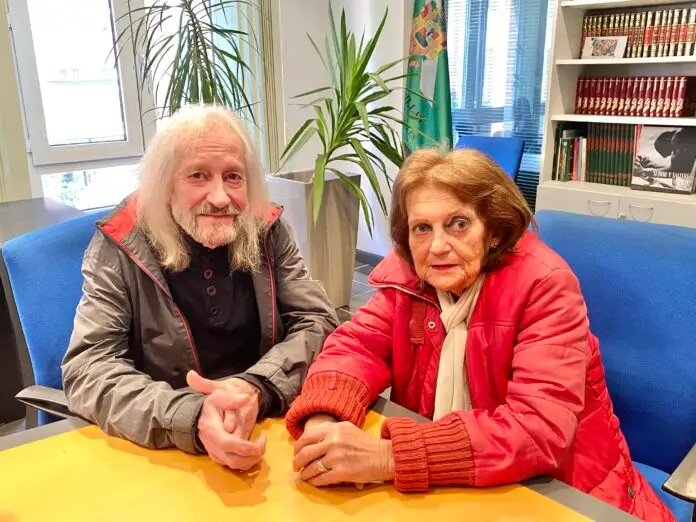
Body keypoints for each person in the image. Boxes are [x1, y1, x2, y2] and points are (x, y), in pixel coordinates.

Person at [285, 148, 673, 521]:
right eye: (422, 228)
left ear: (493, 231)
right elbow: (355, 348)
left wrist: (389, 457)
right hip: (449, 482)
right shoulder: (409, 280)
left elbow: (539, 429)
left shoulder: (546, 286)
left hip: (563, 491)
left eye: (459, 224)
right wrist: (324, 420)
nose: (438, 246)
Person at [62, 105, 338, 471]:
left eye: (233, 177)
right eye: (198, 175)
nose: (221, 198)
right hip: (165, 445)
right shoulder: (121, 244)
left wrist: (255, 387)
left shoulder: (266, 228)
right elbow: (88, 368)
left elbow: (318, 321)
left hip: (263, 422)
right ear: (165, 185)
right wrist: (189, 415)